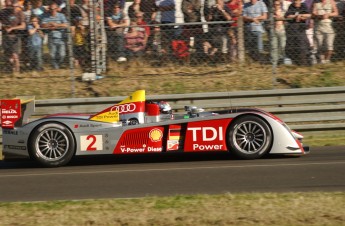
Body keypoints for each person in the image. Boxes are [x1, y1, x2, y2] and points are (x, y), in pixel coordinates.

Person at [0, 0, 26, 73]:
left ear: (18, 6)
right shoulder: (5, 12)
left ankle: (17, 72)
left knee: (15, 56)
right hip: (6, 36)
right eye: (13, 7)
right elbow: (2, 21)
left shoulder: (20, 13)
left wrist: (12, 28)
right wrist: (4, 26)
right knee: (8, 56)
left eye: (16, 7)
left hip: (15, 37)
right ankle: (10, 70)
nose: (14, 8)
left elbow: (23, 25)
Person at [41, 2, 68, 69]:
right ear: (49, 9)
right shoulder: (46, 16)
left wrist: (57, 25)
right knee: (52, 55)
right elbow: (42, 25)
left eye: (54, 9)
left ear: (57, 9)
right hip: (51, 37)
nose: (53, 10)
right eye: (51, 9)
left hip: (61, 37)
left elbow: (66, 24)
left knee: (62, 54)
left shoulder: (61, 15)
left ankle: (58, 64)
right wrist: (50, 24)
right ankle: (55, 66)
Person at [285, 0, 311, 65]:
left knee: (303, 45)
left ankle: (304, 62)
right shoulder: (291, 6)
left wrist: (301, 15)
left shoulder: (303, 5)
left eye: (297, 1)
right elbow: (287, 15)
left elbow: (309, 14)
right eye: (295, 1)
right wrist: (295, 16)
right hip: (292, 29)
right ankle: (294, 60)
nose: (296, 2)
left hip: (301, 29)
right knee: (292, 44)